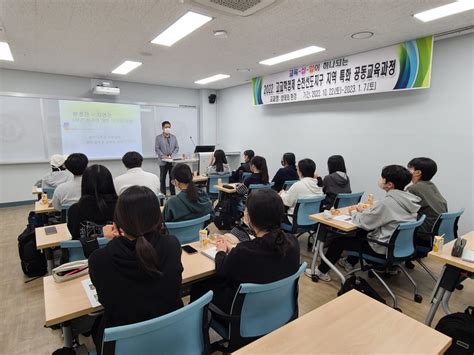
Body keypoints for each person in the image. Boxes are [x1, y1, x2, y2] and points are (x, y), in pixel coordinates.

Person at [89, 186, 183, 353]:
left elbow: (105, 299)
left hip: (124, 344)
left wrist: (114, 241)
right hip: (170, 335)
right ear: (157, 217)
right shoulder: (172, 245)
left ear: (117, 222)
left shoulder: (100, 259)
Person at [190, 189, 300, 313]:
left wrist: (221, 251)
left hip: (242, 314)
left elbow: (222, 270)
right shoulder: (292, 242)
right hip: (277, 308)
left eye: (246, 209)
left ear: (250, 217)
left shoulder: (244, 252)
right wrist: (233, 249)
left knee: (199, 285)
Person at [312, 165, 421, 282]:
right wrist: (367, 212)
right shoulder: (408, 200)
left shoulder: (388, 203)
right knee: (361, 234)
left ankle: (320, 271)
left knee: (338, 241)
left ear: (389, 185)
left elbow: (363, 222)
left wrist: (354, 211)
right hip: (400, 247)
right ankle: (349, 262)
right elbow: (382, 216)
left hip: (382, 249)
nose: (380, 179)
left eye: (382, 178)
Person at [67, 165, 118, 240]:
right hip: (117, 250)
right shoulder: (121, 207)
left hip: (84, 251)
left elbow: (73, 235)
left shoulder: (75, 210)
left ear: (84, 184)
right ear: (110, 183)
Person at [407, 157, 448, 248]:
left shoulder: (413, 189)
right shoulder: (431, 185)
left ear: (417, 172)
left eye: (409, 169)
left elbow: (402, 211)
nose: (407, 172)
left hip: (424, 234)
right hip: (437, 232)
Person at [280, 159, 323, 223]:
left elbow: (287, 202)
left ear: (300, 171)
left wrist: (282, 194)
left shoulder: (298, 185)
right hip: (312, 220)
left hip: (295, 220)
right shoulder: (318, 185)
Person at [155, 121, 179, 195]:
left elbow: (177, 147)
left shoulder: (173, 137)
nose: (168, 128)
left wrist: (172, 155)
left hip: (171, 161)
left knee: (172, 178)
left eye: (169, 127)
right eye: (166, 127)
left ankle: (173, 194)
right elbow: (157, 148)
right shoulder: (158, 138)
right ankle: (163, 194)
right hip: (163, 161)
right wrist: (163, 156)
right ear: (162, 128)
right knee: (162, 179)